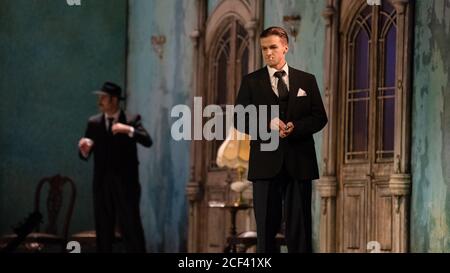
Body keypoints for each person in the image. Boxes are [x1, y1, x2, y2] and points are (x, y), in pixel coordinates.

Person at [234, 27, 328, 253]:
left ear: (285, 47)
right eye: (264, 48)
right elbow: (239, 119)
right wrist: (266, 124)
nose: (268, 53)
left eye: (273, 47)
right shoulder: (251, 82)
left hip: (300, 162)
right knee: (265, 228)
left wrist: (296, 128)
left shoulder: (307, 80)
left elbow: (319, 118)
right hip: (265, 164)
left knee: (300, 227)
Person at [78, 81, 152, 253]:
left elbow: (147, 141)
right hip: (102, 185)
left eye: (103, 97)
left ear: (114, 100)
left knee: (131, 227)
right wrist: (84, 150)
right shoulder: (94, 123)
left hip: (126, 185)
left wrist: (128, 130)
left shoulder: (132, 119)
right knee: (103, 229)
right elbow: (85, 152)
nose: (100, 101)